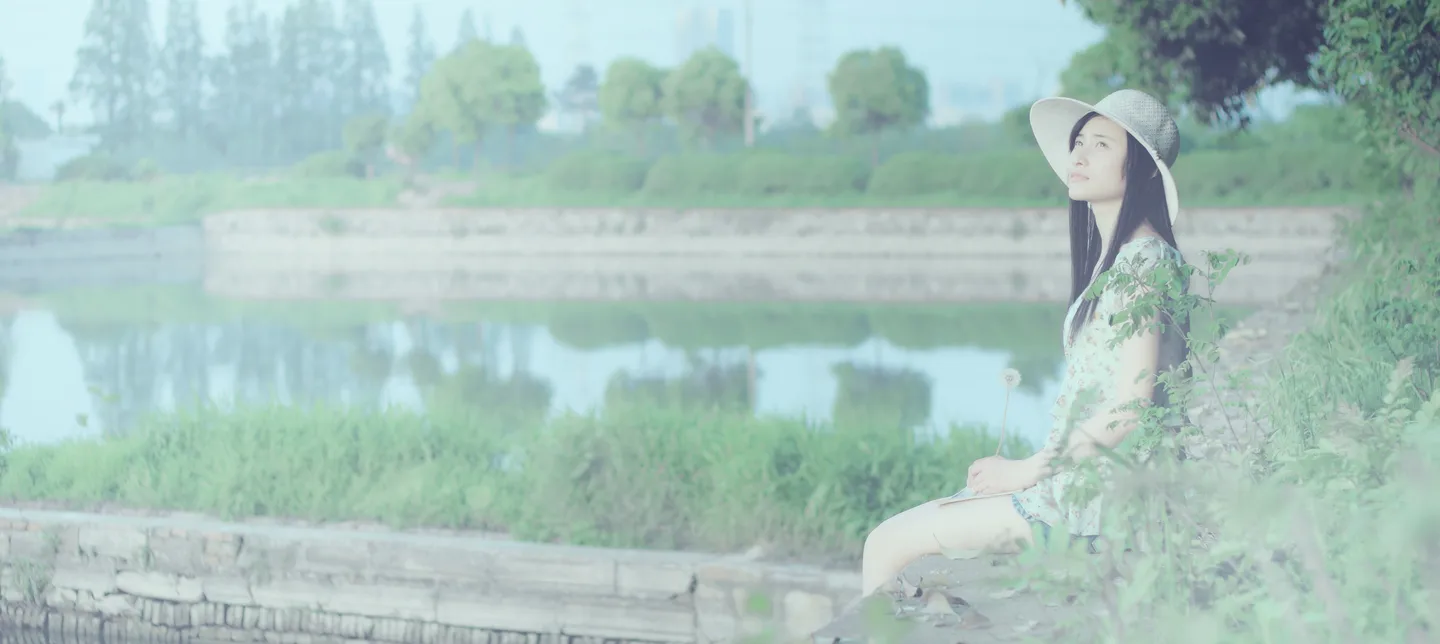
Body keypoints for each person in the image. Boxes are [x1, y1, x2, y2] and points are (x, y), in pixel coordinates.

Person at [857, 89, 1191, 597]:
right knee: (930, 533)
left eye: (1102, 145)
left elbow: (1131, 406)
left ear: (1143, 171)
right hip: (1091, 492)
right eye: (1079, 142)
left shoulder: (1144, 264)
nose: (1079, 155)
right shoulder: (1127, 258)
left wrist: (1027, 470)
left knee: (886, 543)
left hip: (1096, 509)